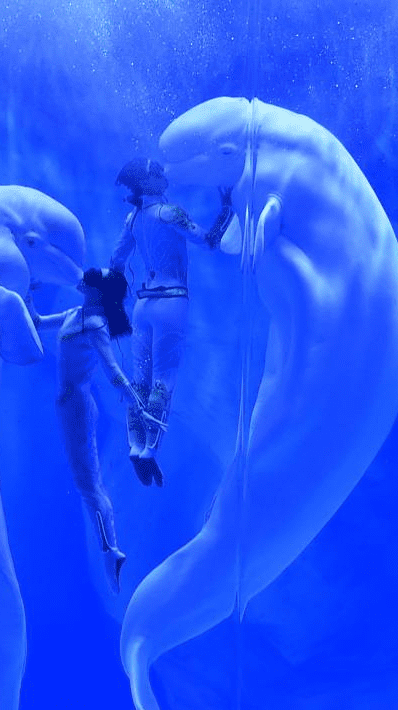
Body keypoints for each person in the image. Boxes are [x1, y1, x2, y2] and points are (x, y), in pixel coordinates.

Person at [30, 268, 165, 592]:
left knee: (88, 483)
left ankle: (110, 550)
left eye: (91, 277)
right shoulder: (73, 314)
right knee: (83, 482)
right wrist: (28, 289)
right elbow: (36, 322)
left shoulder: (95, 325)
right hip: (66, 404)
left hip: (77, 404)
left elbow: (112, 370)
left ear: (96, 290)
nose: (83, 276)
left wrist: (137, 403)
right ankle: (110, 549)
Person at [110, 157, 233, 486]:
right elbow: (210, 241)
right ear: (146, 181)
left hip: (143, 304)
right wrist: (228, 206)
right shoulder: (170, 213)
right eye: (155, 171)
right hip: (172, 302)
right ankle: (150, 449)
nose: (162, 173)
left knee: (139, 380)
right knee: (164, 379)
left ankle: (134, 446)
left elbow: (116, 261)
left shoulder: (133, 219)